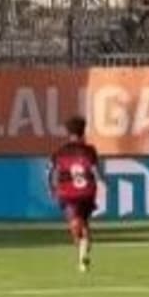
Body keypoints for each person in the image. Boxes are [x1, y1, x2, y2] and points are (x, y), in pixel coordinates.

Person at [48, 117, 100, 273]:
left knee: (76, 225)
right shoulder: (90, 150)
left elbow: (49, 171)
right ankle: (83, 256)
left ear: (68, 133)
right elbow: (96, 171)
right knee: (82, 224)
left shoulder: (59, 151)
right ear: (83, 132)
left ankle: (81, 251)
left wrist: (51, 187)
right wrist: (103, 183)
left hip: (68, 192)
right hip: (87, 193)